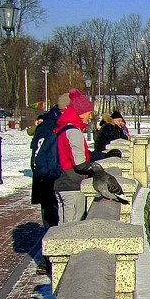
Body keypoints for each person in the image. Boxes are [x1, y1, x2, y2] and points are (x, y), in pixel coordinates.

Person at [52, 88, 98, 224]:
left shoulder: (63, 127)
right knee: (72, 226)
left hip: (61, 182)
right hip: (71, 185)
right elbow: (80, 164)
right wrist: (97, 169)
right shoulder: (74, 131)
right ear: (81, 113)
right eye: (89, 113)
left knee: (62, 224)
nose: (90, 117)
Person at [28, 91, 71, 228]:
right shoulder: (53, 126)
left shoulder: (51, 122)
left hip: (47, 174)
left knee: (50, 212)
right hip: (50, 176)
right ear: (66, 109)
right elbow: (45, 154)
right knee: (52, 215)